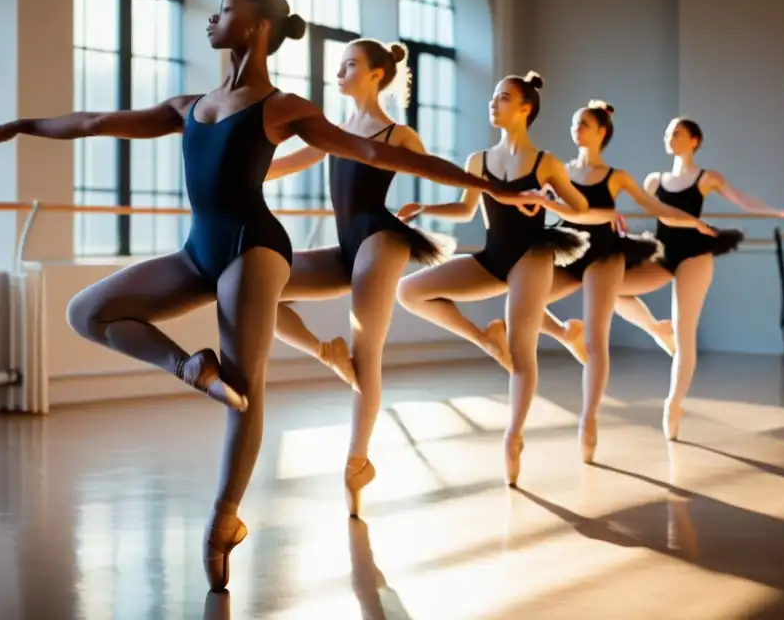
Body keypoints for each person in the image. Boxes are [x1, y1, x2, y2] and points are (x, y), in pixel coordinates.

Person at [0, 0, 540, 591]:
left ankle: (222, 522)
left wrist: (496, 191)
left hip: (253, 250)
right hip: (198, 252)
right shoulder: (188, 105)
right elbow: (97, 120)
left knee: (244, 386)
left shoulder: (283, 108)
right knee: (87, 312)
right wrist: (21, 124)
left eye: (227, 8)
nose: (214, 15)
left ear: (259, 28)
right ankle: (188, 368)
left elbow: (377, 152)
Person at [395, 73, 624, 487]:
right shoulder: (478, 160)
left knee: (522, 349)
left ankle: (512, 436)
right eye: (493, 97)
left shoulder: (546, 163)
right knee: (410, 291)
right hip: (492, 257)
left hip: (533, 256)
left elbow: (580, 209)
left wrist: (546, 199)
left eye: (503, 98)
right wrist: (425, 206)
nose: (493, 103)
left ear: (524, 108)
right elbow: (467, 210)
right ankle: (485, 339)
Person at [264, 39, 455, 517]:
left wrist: (486, 194)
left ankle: (357, 459)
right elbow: (280, 167)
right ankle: (326, 354)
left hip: (382, 238)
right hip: (346, 247)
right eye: (339, 65)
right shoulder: (330, 132)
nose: (340, 72)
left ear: (377, 75)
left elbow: (441, 172)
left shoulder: (397, 134)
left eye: (350, 65)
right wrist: (227, 169)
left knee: (366, 346)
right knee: (258, 291)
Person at [577, 117, 784, 440]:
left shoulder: (706, 177)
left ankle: (674, 402)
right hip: (663, 253)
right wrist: (611, 218)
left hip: (695, 255)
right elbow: (639, 205)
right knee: (609, 290)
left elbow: (742, 199)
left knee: (684, 332)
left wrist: (777, 212)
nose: (669, 137)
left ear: (693, 140)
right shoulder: (655, 180)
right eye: (667, 132)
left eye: (677, 133)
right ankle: (655, 329)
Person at [534, 102, 715, 463]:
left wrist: (695, 224)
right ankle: (573, 333)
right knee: (525, 302)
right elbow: (541, 201)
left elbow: (659, 208)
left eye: (583, 123)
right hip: (568, 251)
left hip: (604, 253)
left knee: (597, 335)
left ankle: (588, 420)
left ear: (602, 131)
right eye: (574, 123)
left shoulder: (616, 175)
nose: (577, 129)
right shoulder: (557, 169)